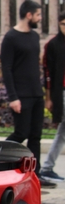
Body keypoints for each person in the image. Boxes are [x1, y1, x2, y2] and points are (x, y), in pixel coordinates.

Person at [1, 0, 55, 188]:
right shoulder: (11, 38)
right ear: (29, 15)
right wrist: (13, 97)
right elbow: (6, 69)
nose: (40, 18)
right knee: (20, 133)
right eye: (38, 15)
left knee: (35, 136)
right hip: (20, 96)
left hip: (36, 94)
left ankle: (35, 175)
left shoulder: (34, 36)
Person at [40, 11, 65, 181]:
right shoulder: (53, 45)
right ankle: (47, 167)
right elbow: (47, 72)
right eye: (63, 24)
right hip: (61, 92)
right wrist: (49, 97)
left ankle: (48, 166)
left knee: (62, 132)